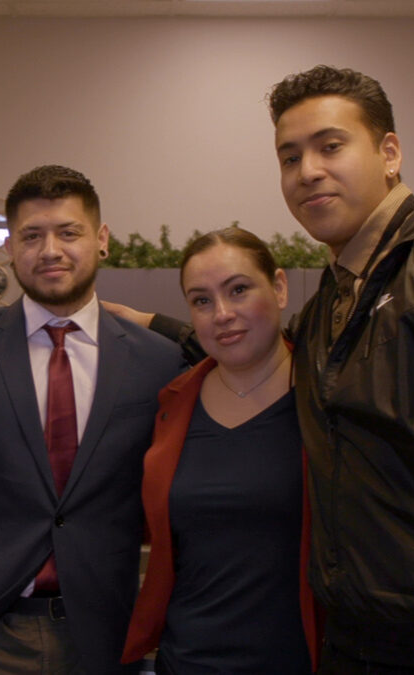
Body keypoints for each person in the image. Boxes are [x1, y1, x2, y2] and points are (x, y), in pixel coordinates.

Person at [111, 65, 414, 673]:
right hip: (352, 641)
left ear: (389, 152)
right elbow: (251, 349)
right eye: (290, 157)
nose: (307, 170)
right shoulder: (332, 308)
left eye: (330, 146)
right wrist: (160, 325)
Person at [0, 165, 185, 674]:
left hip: (103, 636)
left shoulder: (155, 360)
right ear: (11, 247)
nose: (50, 249)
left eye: (68, 232)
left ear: (101, 240)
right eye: (32, 235)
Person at [119, 228, 318, 674]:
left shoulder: (326, 400)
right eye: (202, 300)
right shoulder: (174, 403)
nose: (222, 314)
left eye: (239, 290)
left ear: (280, 287)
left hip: (300, 658)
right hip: (188, 659)